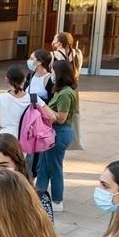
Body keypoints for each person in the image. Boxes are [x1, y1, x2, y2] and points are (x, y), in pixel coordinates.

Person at [38, 60, 79, 212]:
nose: (52, 74)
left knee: (54, 167)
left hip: (59, 132)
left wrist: (44, 107)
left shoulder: (66, 93)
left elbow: (61, 117)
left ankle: (56, 200)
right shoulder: (61, 91)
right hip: (52, 132)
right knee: (43, 166)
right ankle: (39, 196)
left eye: (54, 72)